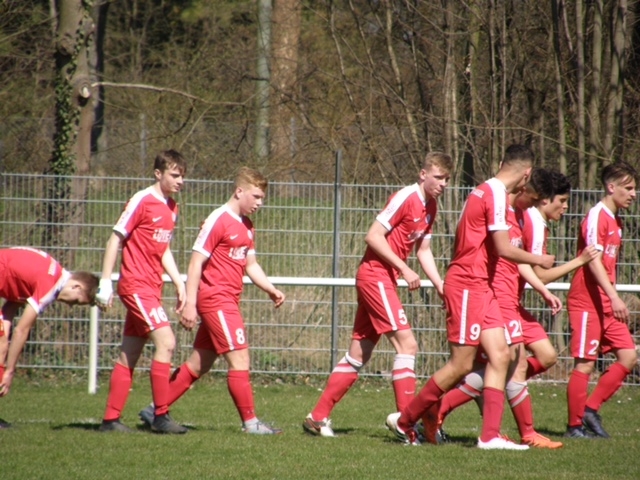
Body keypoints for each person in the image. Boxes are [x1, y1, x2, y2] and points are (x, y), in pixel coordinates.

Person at [386, 144, 556, 450]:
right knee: (461, 365)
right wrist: (539, 259)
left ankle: (489, 436)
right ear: (526, 173)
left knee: (502, 355)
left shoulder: (488, 191)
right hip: (467, 285)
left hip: (481, 286)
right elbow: (503, 248)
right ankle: (405, 419)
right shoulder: (495, 194)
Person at [435, 169, 598, 448]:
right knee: (511, 364)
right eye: (561, 200)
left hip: (511, 300)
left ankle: (484, 408)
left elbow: (520, 262)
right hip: (500, 298)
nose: (565, 207)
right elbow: (525, 263)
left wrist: (543, 291)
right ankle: (519, 431)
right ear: (543, 198)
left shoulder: (525, 217)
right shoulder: (522, 216)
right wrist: (578, 262)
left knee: (538, 358)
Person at [302, 152, 453, 438]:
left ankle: (317, 417)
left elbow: (423, 250)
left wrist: (440, 285)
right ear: (423, 174)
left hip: (383, 279)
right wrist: (403, 268)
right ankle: (407, 425)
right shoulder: (405, 197)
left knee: (358, 354)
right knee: (408, 345)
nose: (443, 184)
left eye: (447, 179)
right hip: (375, 277)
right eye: (438, 177)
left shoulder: (431, 206)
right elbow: (373, 236)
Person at [138, 166, 285, 435]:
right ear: (239, 191)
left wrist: (270, 289)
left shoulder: (247, 225)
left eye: (262, 198)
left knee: (200, 363)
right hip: (216, 300)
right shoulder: (218, 219)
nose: (259, 203)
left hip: (228, 300)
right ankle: (251, 423)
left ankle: (155, 409)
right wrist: (190, 303)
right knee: (240, 359)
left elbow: (251, 264)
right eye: (256, 197)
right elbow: (196, 263)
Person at [96, 149, 187, 434]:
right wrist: (105, 282)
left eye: (182, 176)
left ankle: (110, 420)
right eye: (174, 175)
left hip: (152, 288)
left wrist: (179, 283)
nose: (180, 181)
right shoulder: (141, 200)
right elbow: (115, 238)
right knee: (167, 342)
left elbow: (163, 249)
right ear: (158, 174)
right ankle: (160, 415)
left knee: (130, 353)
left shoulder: (172, 207)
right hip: (136, 286)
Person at [565, 161, 638, 438]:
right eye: (628, 188)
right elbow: (593, 261)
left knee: (628, 356)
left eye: (634, 189)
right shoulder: (597, 216)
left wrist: (611, 297)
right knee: (585, 363)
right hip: (587, 301)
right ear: (611, 186)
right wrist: (614, 296)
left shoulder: (617, 221)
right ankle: (574, 427)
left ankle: (590, 409)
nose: (633, 194)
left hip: (606, 302)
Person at [0, 247, 99, 424]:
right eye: (76, 301)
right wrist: (9, 371)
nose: (71, 305)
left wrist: (4, 339)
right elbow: (21, 330)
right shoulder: (50, 285)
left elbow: (11, 305)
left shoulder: (53, 272)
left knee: (1, 345)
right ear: (76, 286)